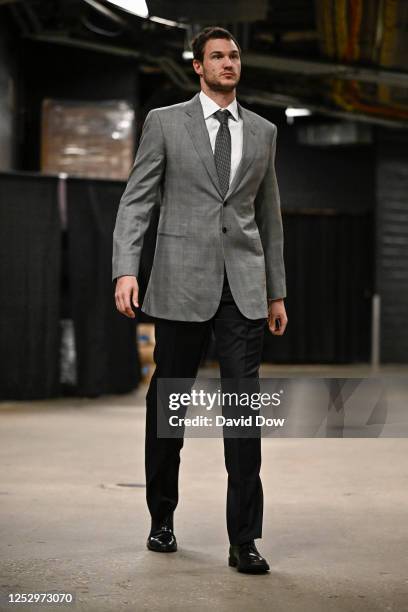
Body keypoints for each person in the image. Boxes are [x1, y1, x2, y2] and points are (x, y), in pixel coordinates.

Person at [112, 26, 288, 574]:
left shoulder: (262, 132)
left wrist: (277, 290)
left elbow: (269, 217)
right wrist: (125, 269)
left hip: (244, 288)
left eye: (234, 55)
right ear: (198, 66)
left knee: (243, 415)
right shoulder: (165, 123)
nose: (228, 63)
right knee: (169, 410)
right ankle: (161, 518)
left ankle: (244, 541)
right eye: (217, 56)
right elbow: (137, 200)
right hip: (180, 283)